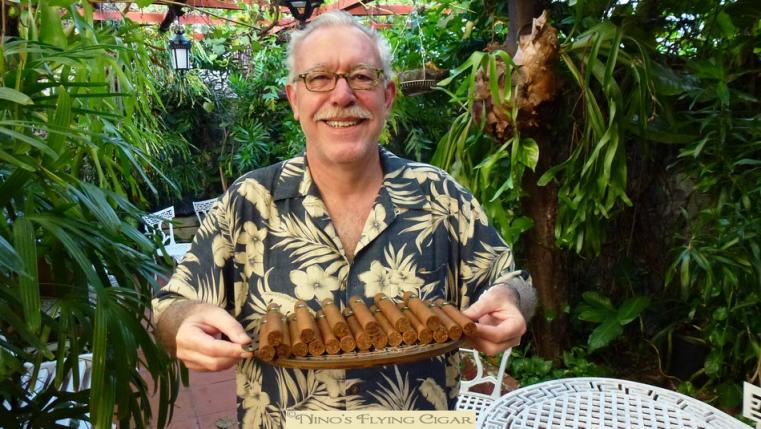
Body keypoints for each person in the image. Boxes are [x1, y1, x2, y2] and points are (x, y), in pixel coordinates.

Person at [152, 10, 536, 428]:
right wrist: (183, 323)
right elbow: (172, 306)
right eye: (319, 77)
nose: (342, 95)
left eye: (362, 77)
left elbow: (511, 282)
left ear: (387, 96)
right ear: (294, 99)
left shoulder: (440, 195)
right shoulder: (248, 202)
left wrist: (512, 300)